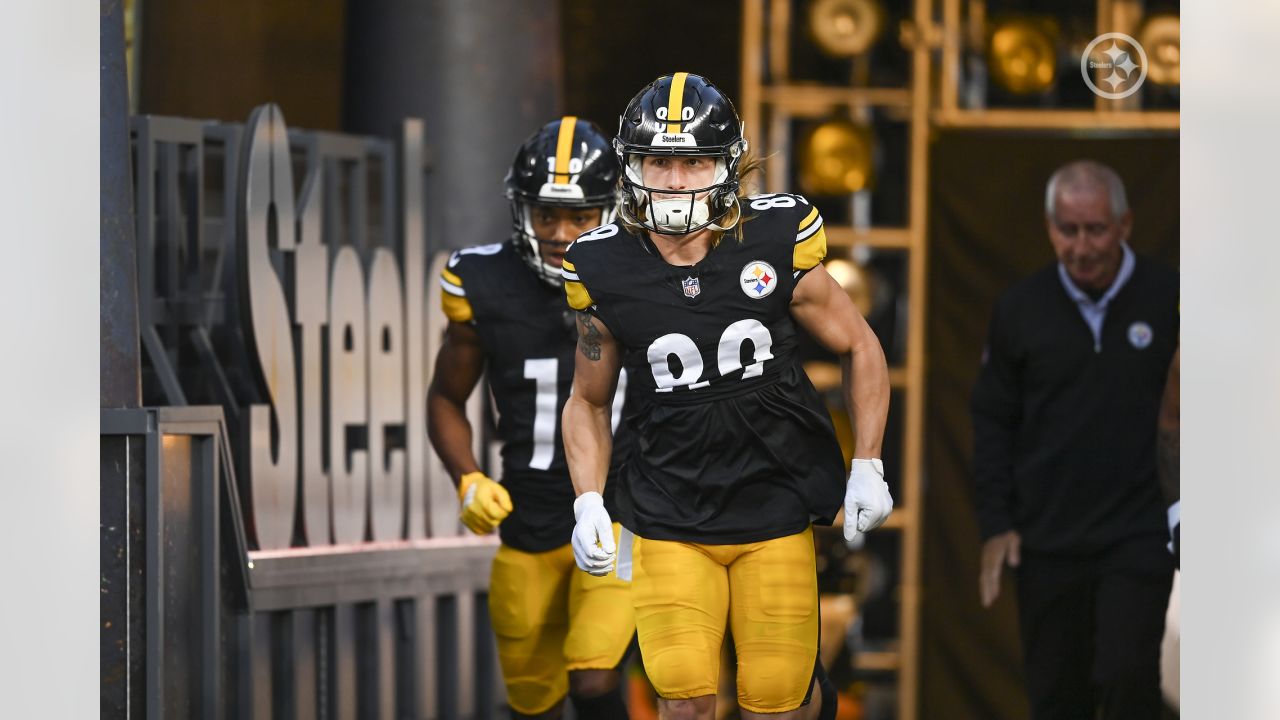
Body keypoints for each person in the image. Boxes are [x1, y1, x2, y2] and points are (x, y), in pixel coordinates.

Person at [558, 72, 894, 720]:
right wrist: (590, 500)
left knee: (780, 704)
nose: (677, 180)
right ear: (633, 166)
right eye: (660, 160)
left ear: (728, 165)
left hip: (773, 503)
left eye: (694, 162)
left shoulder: (775, 236)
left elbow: (859, 344)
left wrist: (870, 461)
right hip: (667, 511)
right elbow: (588, 400)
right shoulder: (603, 266)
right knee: (684, 702)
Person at [427, 116, 635, 720]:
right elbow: (445, 397)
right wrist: (466, 476)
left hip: (622, 514)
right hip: (527, 518)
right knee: (533, 702)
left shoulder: (643, 277)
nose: (561, 232)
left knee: (594, 679)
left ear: (612, 211)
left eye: (579, 216)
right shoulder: (483, 281)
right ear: (522, 213)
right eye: (546, 215)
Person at [971, 160, 1178, 719]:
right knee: (1057, 695)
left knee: (1128, 674)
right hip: (1048, 538)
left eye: (1096, 230)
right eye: (1068, 230)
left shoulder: (1172, 299)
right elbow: (992, 421)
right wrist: (997, 522)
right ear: (1048, 227)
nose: (1082, 246)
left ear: (1125, 225)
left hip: (1140, 533)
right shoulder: (1020, 309)